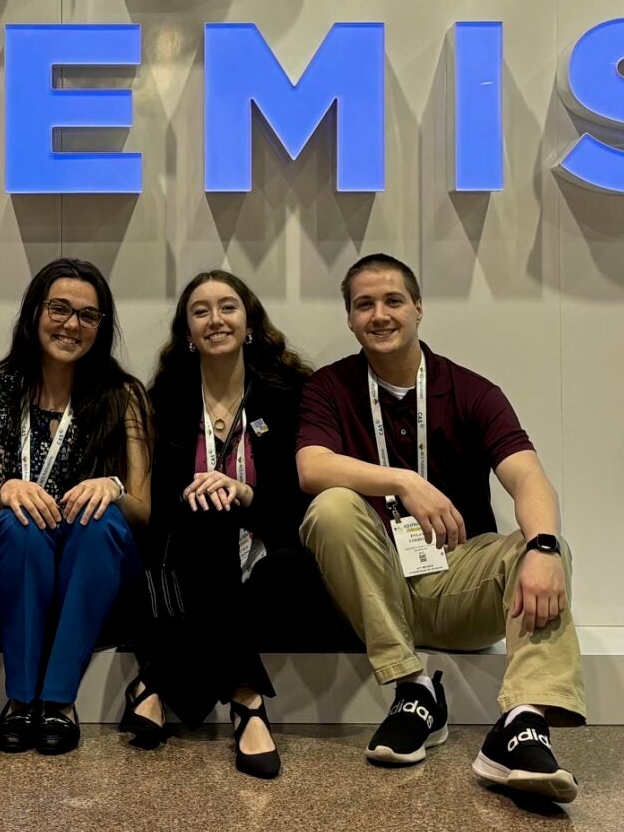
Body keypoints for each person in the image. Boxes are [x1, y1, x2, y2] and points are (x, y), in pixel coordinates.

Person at [295, 253, 587, 800]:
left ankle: (521, 724)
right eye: (364, 305)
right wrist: (402, 480)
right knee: (332, 505)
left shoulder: (470, 389)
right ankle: (414, 690)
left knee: (545, 545)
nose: (379, 315)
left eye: (393, 301)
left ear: (419, 309)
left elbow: (529, 478)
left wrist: (543, 546)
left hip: (458, 587)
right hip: (374, 590)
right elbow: (311, 467)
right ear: (350, 319)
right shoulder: (330, 388)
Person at [123, 270, 323, 780]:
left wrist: (246, 494)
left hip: (268, 553)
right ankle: (245, 696)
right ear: (186, 333)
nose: (216, 319)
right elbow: (156, 505)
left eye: (228, 307)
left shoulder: (290, 394)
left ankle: (158, 680)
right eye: (201, 310)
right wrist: (205, 495)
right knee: (206, 507)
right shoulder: (162, 401)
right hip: (188, 555)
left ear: (249, 322)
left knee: (283, 557)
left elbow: (304, 495)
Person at [0, 258, 151, 755]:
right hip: (19, 568)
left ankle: (58, 699)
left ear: (101, 327)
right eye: (60, 309)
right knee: (18, 523)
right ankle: (20, 699)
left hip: (100, 570)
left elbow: (143, 510)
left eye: (88, 316)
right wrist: (5, 491)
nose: (71, 325)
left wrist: (113, 486)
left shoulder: (124, 396)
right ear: (34, 314)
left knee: (99, 518)